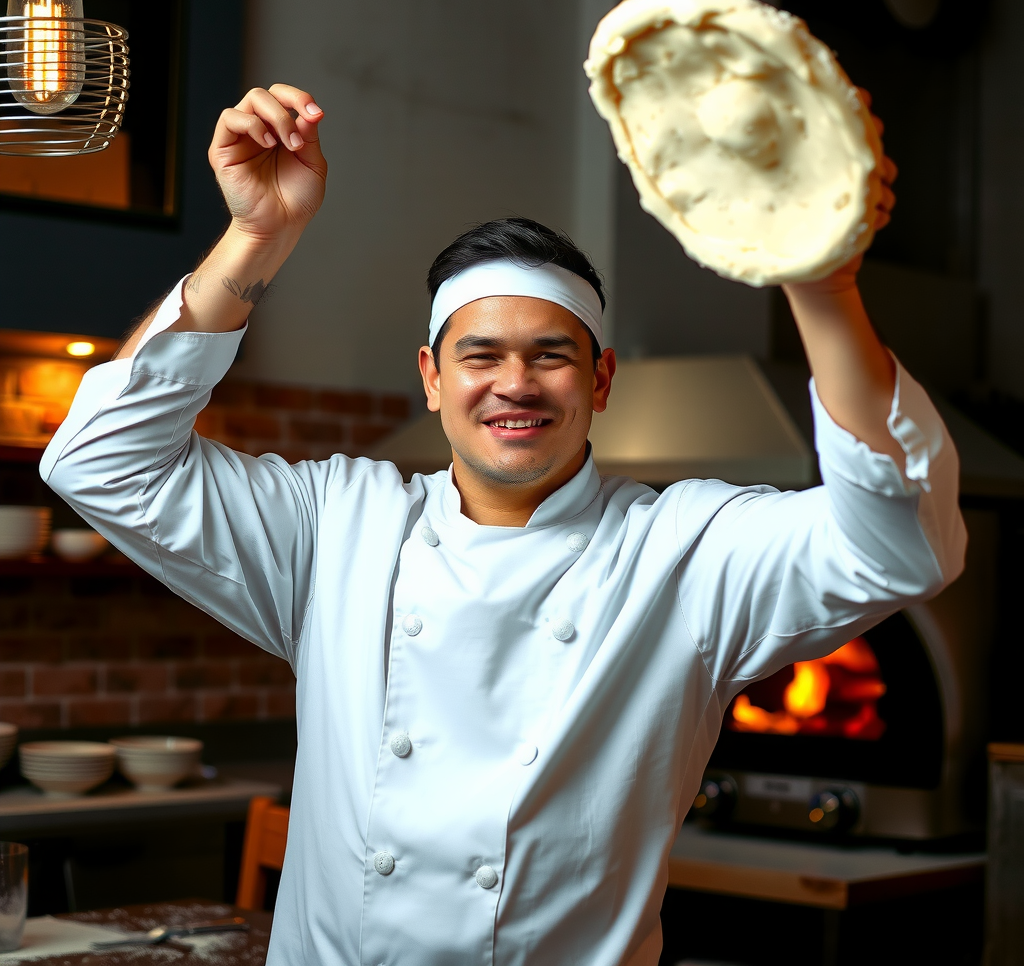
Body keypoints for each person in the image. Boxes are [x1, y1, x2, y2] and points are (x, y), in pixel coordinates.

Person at [42, 83, 965, 966]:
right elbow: (98, 460)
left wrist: (820, 281)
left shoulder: (681, 554)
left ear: (600, 380)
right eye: (479, 355)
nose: (514, 385)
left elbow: (902, 544)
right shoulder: (338, 528)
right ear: (432, 378)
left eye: (550, 356)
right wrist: (256, 236)